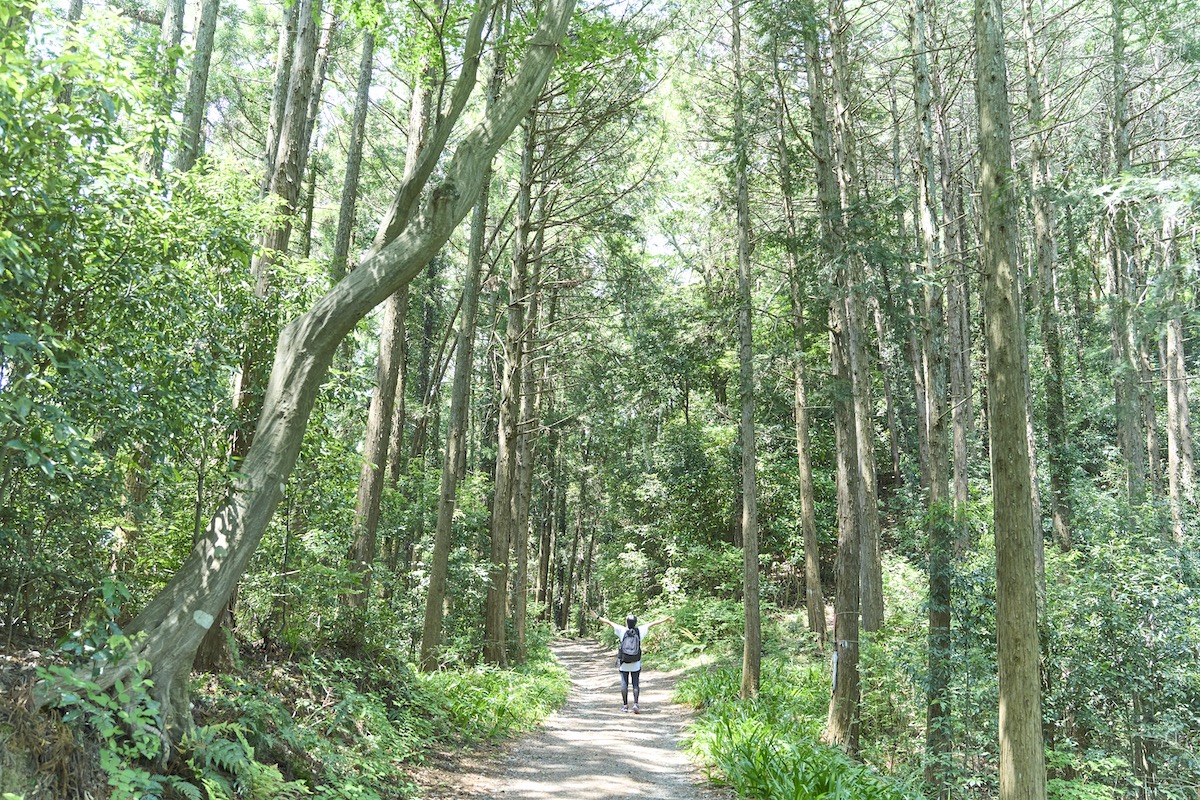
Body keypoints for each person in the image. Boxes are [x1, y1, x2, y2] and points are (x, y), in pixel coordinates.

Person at [595, 612, 673, 713]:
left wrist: (597, 617)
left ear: (626, 622)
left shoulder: (622, 630)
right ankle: (636, 704)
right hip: (636, 662)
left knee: (624, 683)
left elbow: (608, 622)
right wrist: (666, 619)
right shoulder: (640, 630)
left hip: (624, 662)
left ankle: (625, 706)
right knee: (635, 684)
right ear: (635, 622)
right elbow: (653, 623)